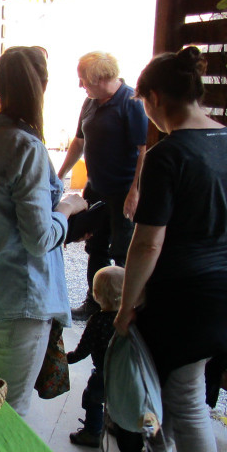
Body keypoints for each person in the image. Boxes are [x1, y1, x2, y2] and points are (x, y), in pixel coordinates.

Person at [114, 46, 227, 452]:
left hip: (189, 292)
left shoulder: (168, 154)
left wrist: (127, 305)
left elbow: (149, 240)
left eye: (145, 104)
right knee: (186, 386)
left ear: (155, 98)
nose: (147, 115)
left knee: (187, 395)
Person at [0, 46, 88, 417]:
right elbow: (38, 238)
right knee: (12, 412)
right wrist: (66, 209)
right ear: (42, 86)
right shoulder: (27, 147)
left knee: (2, 402)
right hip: (23, 295)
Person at [57, 51, 148, 321]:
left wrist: (135, 192)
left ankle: (122, 311)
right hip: (96, 190)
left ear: (99, 78)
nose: (80, 85)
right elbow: (78, 141)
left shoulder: (131, 102)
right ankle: (94, 304)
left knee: (122, 251)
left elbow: (144, 150)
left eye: (83, 79)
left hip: (123, 192)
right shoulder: (90, 102)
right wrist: (60, 173)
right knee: (94, 247)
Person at [67, 265, 124, 448]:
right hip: (126, 373)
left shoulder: (98, 321)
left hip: (103, 373)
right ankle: (116, 425)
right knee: (119, 399)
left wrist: (68, 358)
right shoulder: (129, 320)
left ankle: (92, 432)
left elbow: (84, 349)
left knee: (92, 398)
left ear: (96, 294)